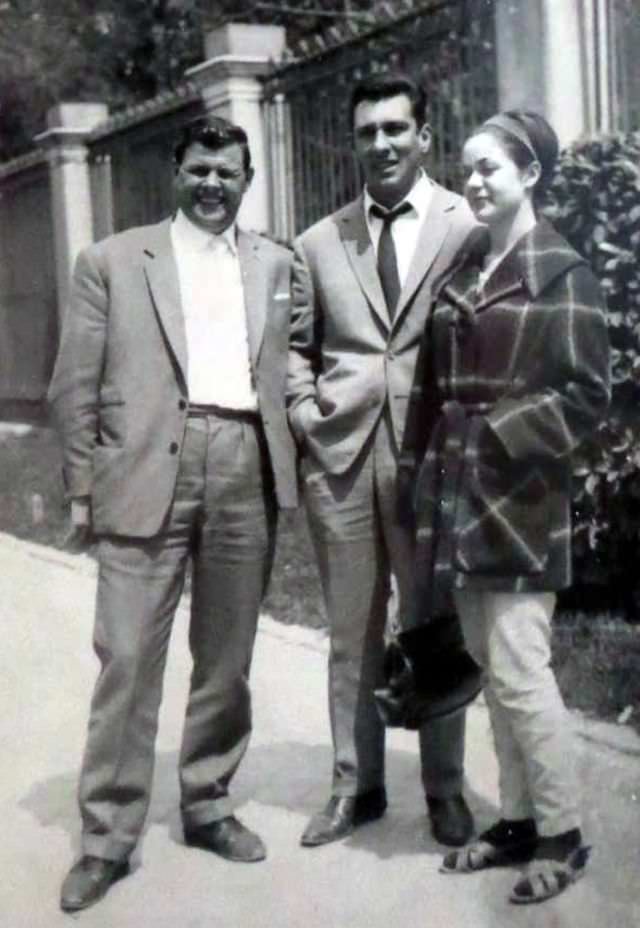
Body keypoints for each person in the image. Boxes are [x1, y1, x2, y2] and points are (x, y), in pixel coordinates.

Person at [48, 114, 297, 913]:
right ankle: (106, 838)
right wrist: (83, 488)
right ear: (176, 174)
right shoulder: (114, 261)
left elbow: (296, 363)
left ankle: (207, 802)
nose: (213, 185)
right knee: (126, 656)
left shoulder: (275, 264)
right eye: (199, 171)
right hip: (143, 468)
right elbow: (73, 384)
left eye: (228, 173)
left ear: (247, 179)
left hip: (243, 461)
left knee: (227, 655)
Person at [401, 110, 610, 904]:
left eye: (490, 167)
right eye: (467, 168)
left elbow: (587, 396)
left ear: (531, 174)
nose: (474, 181)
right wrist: (426, 468)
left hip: (519, 499)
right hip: (458, 498)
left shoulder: (562, 272)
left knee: (523, 671)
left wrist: (494, 436)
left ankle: (563, 833)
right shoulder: (467, 269)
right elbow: (429, 386)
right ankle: (517, 819)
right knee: (491, 668)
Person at [286, 73, 477, 849]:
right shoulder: (319, 240)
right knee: (350, 634)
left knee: (435, 624)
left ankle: (445, 789)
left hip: (431, 455)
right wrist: (304, 411)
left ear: (424, 134)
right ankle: (354, 786)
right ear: (353, 141)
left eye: (396, 129)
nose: (382, 144)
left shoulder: (466, 226)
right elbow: (296, 348)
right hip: (342, 459)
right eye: (367, 132)